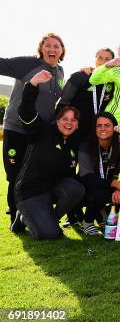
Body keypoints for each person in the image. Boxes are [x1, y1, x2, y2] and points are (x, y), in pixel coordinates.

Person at [10, 70, 84, 239]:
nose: (69, 123)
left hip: (50, 191)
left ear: (77, 125)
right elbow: (26, 111)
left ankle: (45, 218)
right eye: (65, 119)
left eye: (73, 120)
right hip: (30, 192)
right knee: (50, 233)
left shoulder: (73, 143)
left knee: (76, 189)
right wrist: (33, 85)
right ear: (57, 120)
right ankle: (22, 217)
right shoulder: (42, 131)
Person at [1, 33, 66, 225]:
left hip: (39, 132)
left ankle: (27, 213)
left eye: (57, 46)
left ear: (62, 51)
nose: (52, 49)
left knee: (31, 175)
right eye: (48, 45)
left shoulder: (60, 72)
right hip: (16, 129)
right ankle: (15, 217)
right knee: (14, 175)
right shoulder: (29, 64)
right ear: (41, 48)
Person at [77, 112, 120, 236]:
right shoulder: (86, 145)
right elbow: (87, 177)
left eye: (107, 125)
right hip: (87, 187)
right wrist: (114, 183)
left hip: (109, 187)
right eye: (99, 125)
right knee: (98, 192)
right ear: (94, 128)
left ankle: (104, 213)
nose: (103, 129)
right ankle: (88, 222)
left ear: (114, 127)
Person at [58, 48, 116, 141]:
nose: (103, 62)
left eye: (107, 59)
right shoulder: (80, 76)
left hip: (101, 132)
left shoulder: (114, 81)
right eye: (100, 58)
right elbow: (63, 103)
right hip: (77, 131)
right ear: (95, 59)